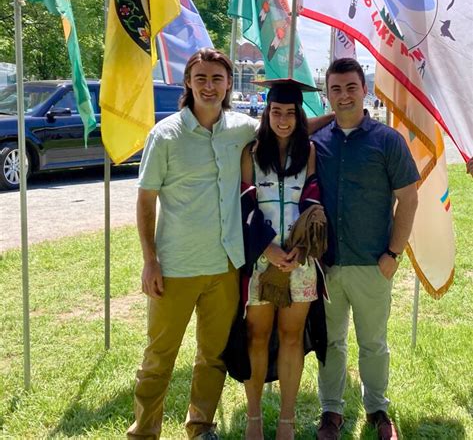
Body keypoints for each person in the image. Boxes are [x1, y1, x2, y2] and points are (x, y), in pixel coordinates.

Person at [127, 49, 332, 439]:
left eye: (217, 79)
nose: (209, 86)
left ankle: (201, 426)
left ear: (227, 85)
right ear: (188, 82)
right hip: (176, 265)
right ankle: (144, 431)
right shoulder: (165, 134)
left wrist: (338, 117)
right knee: (159, 356)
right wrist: (149, 260)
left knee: (213, 355)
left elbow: (286, 124)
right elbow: (145, 199)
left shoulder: (240, 128)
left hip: (225, 264)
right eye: (201, 78)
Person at [311, 58, 420, 440]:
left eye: (350, 88)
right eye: (336, 89)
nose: (343, 96)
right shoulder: (316, 143)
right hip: (327, 265)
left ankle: (376, 408)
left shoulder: (387, 141)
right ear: (327, 93)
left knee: (373, 342)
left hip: (374, 263)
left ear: (364, 89)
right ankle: (331, 411)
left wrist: (394, 254)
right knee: (331, 342)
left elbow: (408, 199)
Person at [238, 79, 327, 440]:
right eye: (277, 112)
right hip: (261, 260)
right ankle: (254, 419)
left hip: (300, 260)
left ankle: (287, 422)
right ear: (267, 112)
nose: (284, 120)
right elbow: (244, 202)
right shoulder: (251, 152)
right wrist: (267, 248)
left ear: (299, 116)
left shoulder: (308, 152)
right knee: (256, 337)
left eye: (291, 113)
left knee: (292, 338)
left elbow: (312, 197)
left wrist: (300, 248)